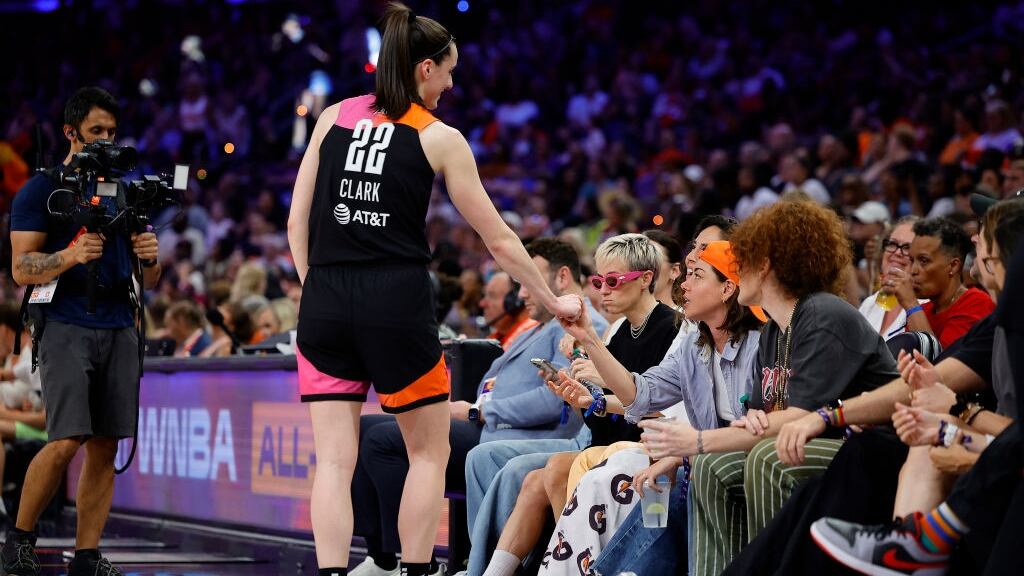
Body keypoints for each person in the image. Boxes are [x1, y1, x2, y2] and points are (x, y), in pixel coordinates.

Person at [285, 5, 581, 575]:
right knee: (428, 451)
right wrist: (550, 300)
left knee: (333, 461)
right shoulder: (440, 137)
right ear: (425, 68)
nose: (451, 83)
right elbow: (496, 237)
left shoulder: (333, 117)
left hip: (324, 297)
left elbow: (297, 222)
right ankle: (418, 570)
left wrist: (316, 286)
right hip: (395, 302)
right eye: (448, 71)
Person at [652, 200, 898, 576]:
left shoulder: (823, 313)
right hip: (820, 444)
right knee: (711, 466)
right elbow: (768, 418)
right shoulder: (772, 332)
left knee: (769, 459)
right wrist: (733, 431)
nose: (737, 269)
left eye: (744, 258)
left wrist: (697, 440)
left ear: (765, 265)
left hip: (877, 450)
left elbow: (798, 417)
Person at [349, 238, 598, 576]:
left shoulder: (582, 325)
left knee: (383, 441)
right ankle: (382, 557)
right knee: (365, 429)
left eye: (528, 281)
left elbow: (554, 400)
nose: (522, 293)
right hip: (487, 425)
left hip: (512, 432)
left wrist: (479, 411)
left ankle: (408, 559)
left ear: (563, 277)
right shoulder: (538, 326)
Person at [3, 86, 162, 576]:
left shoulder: (126, 193)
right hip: (65, 321)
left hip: (118, 321)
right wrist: (70, 256)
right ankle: (21, 539)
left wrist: (150, 256)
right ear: (71, 132)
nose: (106, 141)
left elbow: (149, 278)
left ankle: (88, 555)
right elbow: (20, 268)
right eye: (96, 132)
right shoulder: (41, 191)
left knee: (106, 443)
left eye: (113, 132)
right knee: (67, 436)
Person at [539, 240, 765, 576]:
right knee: (639, 486)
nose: (683, 284)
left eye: (696, 275)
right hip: (689, 461)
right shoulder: (692, 344)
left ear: (727, 289)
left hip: (725, 465)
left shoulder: (759, 344)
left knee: (647, 479)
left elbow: (762, 429)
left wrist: (682, 454)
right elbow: (639, 393)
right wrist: (588, 338)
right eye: (686, 274)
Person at [472, 233, 679, 576]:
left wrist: (598, 390)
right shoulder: (619, 331)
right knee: (532, 480)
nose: (603, 290)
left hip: (647, 448)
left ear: (646, 280)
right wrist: (582, 397)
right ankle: (489, 571)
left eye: (614, 281)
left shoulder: (673, 329)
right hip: (612, 444)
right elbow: (604, 420)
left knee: (552, 471)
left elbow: (653, 408)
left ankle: (571, 567)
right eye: (599, 281)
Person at [892, 218, 994, 348]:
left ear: (953, 266)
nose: (913, 271)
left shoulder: (977, 303)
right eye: (912, 260)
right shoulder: (924, 310)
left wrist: (911, 304)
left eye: (923, 261)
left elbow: (938, 364)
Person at [860, 216, 920, 340]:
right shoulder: (870, 303)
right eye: (892, 244)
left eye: (907, 248)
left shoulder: (926, 307)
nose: (897, 253)